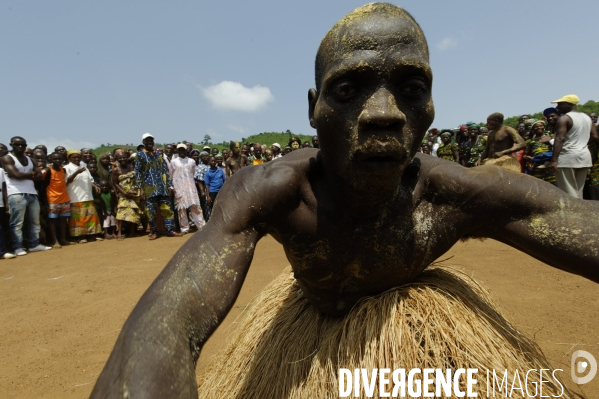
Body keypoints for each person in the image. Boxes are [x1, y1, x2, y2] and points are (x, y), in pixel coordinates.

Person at [92, 4, 598, 398]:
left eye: (410, 87)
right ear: (313, 109)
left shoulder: (454, 195)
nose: (383, 113)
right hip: (305, 333)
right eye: (349, 87)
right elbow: (167, 324)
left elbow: (567, 218)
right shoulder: (275, 191)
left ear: (430, 109)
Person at [2, 137, 51, 256]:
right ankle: (17, 247)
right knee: (17, 223)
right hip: (16, 193)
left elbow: (40, 176)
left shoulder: (30, 160)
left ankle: (34, 244)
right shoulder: (7, 158)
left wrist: (25, 175)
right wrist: (32, 174)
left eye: (22, 145)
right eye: (17, 144)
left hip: (32, 193)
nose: (20, 147)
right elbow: (15, 174)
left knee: (35, 221)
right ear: (11, 145)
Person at [548, 94, 598, 199]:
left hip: (567, 158)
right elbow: (595, 136)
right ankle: (580, 213)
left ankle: (573, 213)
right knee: (578, 191)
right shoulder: (587, 118)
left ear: (569, 105)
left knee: (568, 192)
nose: (557, 107)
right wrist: (581, 144)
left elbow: (560, 139)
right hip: (583, 156)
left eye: (560, 104)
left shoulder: (565, 118)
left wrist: (553, 160)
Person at [135, 133, 181, 239]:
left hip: (162, 187)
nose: (150, 142)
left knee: (167, 210)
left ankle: (170, 230)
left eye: (151, 140)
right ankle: (154, 232)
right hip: (148, 188)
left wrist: (170, 185)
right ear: (143, 142)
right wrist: (140, 189)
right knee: (150, 211)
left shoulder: (158, 154)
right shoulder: (140, 155)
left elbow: (164, 170)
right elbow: (137, 172)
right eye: (147, 141)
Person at [65, 150, 102, 243]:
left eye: (78, 157)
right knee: (78, 218)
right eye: (74, 157)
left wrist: (95, 186)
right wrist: (76, 172)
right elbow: (66, 181)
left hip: (88, 196)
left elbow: (90, 179)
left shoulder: (84, 167)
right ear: (69, 158)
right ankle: (80, 237)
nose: (76, 159)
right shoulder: (66, 168)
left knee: (90, 217)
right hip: (75, 197)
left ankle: (91, 235)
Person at [170, 144, 206, 234]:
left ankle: (201, 226)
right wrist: (172, 186)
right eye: (180, 150)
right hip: (179, 187)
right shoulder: (173, 162)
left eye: (183, 150)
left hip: (191, 187)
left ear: (186, 151)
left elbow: (193, 173)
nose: (181, 151)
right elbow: (171, 174)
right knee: (181, 209)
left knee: (196, 207)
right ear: (177, 151)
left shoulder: (191, 161)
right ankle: (184, 228)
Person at [112, 149, 143, 241]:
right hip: (123, 193)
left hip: (134, 192)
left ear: (127, 158)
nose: (122, 159)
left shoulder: (132, 166)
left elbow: (138, 178)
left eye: (124, 157)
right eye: (120, 158)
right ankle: (119, 233)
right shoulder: (116, 170)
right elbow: (115, 183)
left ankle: (132, 231)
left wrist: (140, 191)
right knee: (121, 213)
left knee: (134, 211)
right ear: (117, 159)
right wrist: (124, 193)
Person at [42, 152, 71, 248]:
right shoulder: (47, 171)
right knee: (52, 221)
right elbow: (42, 185)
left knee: (63, 220)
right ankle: (55, 241)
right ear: (50, 160)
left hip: (64, 199)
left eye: (60, 159)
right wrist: (45, 201)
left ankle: (63, 239)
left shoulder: (63, 170)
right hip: (52, 200)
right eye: (55, 159)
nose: (58, 161)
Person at [524, 120, 556, 185]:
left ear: (544, 127)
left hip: (550, 164)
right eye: (536, 126)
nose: (539, 127)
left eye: (541, 126)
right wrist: (529, 158)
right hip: (537, 166)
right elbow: (525, 155)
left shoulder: (551, 137)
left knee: (553, 184)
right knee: (539, 184)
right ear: (533, 129)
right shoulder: (530, 141)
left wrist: (551, 138)